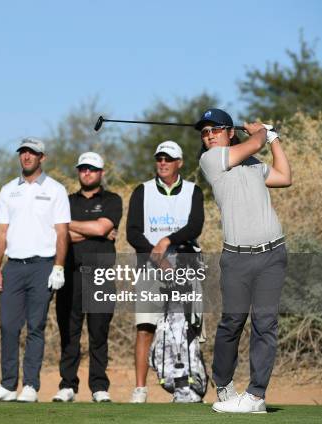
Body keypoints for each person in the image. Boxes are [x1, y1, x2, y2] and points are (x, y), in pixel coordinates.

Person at [195, 109, 291, 414]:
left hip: (272, 254)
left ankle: (256, 396)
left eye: (214, 130)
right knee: (232, 322)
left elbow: (285, 177)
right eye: (204, 132)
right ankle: (223, 384)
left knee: (265, 324)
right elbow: (254, 144)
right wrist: (262, 132)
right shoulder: (211, 160)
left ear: (229, 131)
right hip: (236, 258)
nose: (208, 136)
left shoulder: (252, 164)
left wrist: (273, 137)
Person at [0, 137, 70, 403]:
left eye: (33, 153)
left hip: (43, 265)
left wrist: (59, 267)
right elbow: (0, 232)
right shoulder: (8, 190)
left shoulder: (56, 189)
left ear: (43, 157)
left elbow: (62, 232)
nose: (27, 157)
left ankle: (30, 385)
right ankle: (7, 385)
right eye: (24, 152)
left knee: (36, 326)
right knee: (8, 325)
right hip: (13, 266)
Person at [126, 141, 204, 403]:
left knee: (188, 328)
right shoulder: (142, 191)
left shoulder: (194, 191)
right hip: (150, 267)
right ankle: (140, 389)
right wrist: (159, 258)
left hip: (186, 266)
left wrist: (167, 240)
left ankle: (188, 386)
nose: (163, 163)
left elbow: (195, 227)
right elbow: (133, 232)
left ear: (179, 163)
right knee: (146, 327)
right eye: (159, 158)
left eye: (168, 159)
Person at [52, 152, 122, 403]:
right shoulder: (65, 200)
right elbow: (58, 234)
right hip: (70, 272)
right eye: (83, 169)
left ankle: (99, 386)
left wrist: (69, 227)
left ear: (101, 173)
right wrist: (94, 230)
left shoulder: (113, 199)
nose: (87, 173)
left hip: (100, 272)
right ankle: (68, 384)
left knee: (98, 333)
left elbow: (103, 227)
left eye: (92, 169)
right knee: (69, 333)